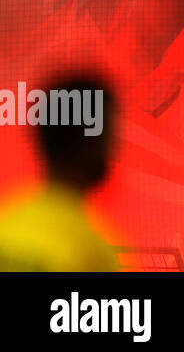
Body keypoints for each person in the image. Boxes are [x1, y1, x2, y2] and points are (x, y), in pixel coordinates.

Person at [0, 73, 120, 271]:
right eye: (110, 136)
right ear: (89, 144)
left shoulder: (6, 222)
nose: (114, 148)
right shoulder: (91, 254)